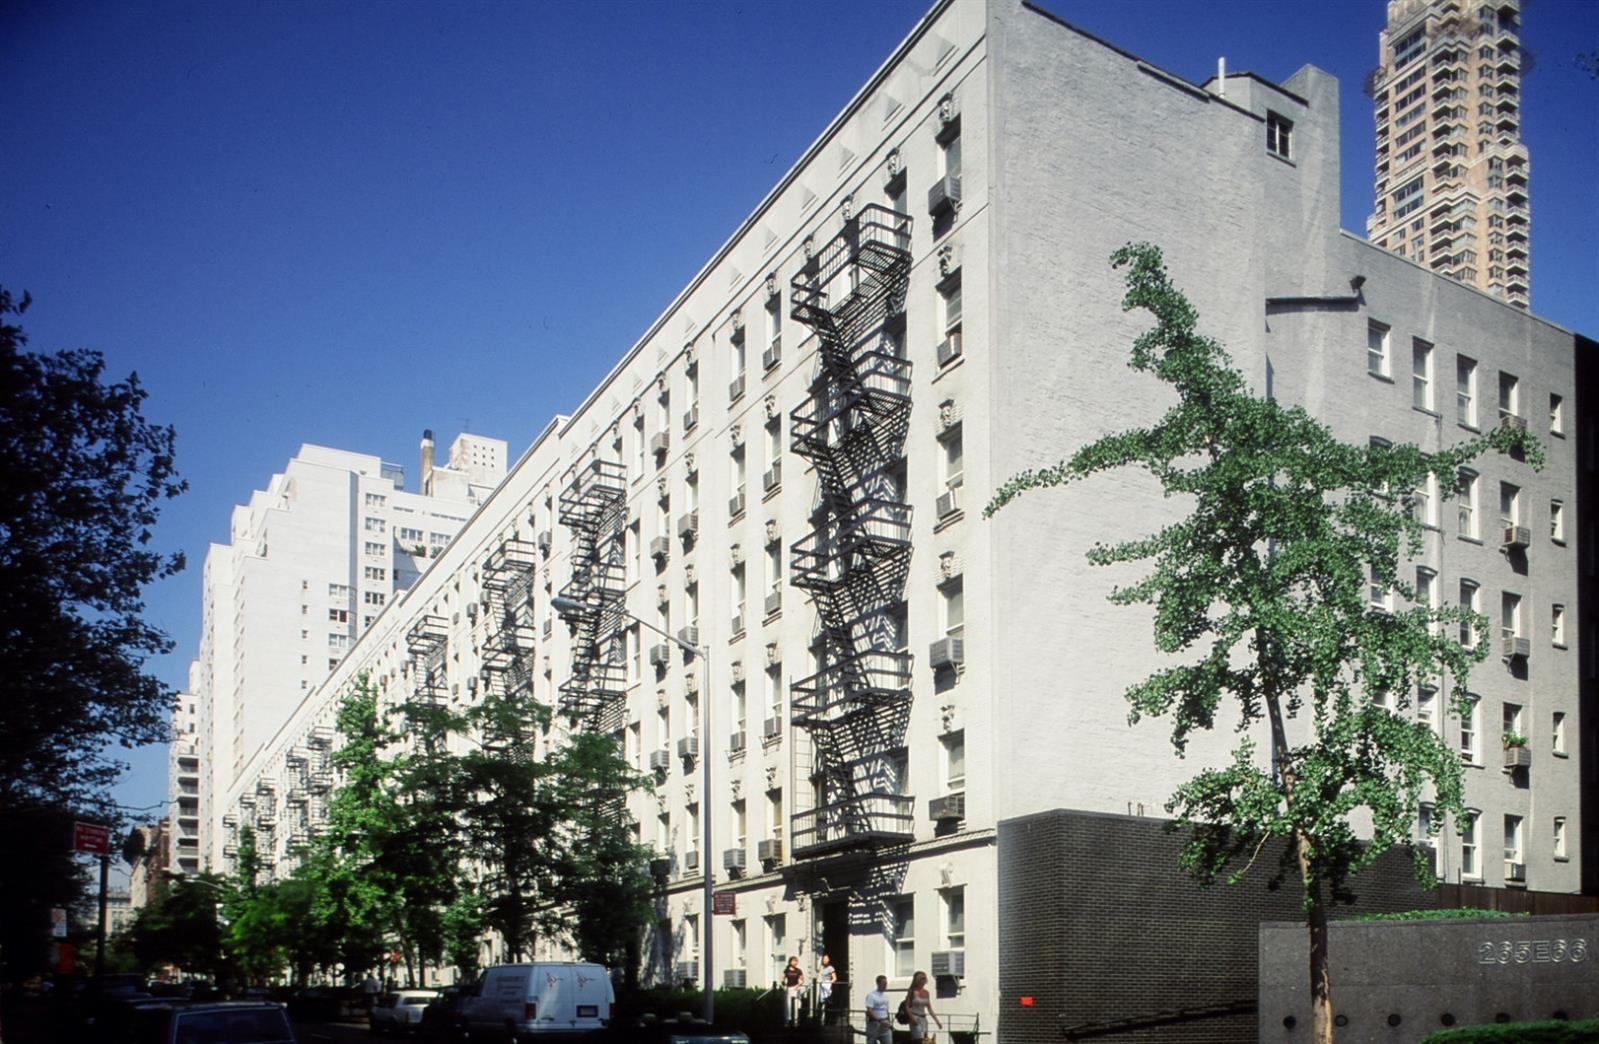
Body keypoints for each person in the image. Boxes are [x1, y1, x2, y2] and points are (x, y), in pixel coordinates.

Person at [905, 970, 942, 1043]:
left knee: (925, 1040)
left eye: (925, 978)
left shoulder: (926, 993)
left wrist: (937, 1021)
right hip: (915, 1017)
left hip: (923, 1019)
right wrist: (912, 1018)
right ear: (918, 980)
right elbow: (907, 1006)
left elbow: (929, 1009)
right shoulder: (912, 991)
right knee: (918, 1040)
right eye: (922, 978)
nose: (924, 980)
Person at [864, 974, 893, 1044]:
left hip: (885, 1024)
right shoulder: (872, 996)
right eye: (883, 984)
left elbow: (886, 1010)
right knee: (872, 1041)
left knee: (888, 1041)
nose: (885, 985)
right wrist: (879, 1020)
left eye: (886, 984)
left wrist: (888, 1021)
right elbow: (869, 1010)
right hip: (874, 1024)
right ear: (878, 984)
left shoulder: (885, 996)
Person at [781, 956, 805, 1025]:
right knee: (788, 1005)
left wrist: (798, 985)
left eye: (796, 961)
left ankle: (795, 1021)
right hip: (789, 989)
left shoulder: (798, 970)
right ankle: (787, 1021)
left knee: (796, 1005)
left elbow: (802, 980)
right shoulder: (786, 970)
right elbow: (783, 978)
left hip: (795, 989)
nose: (795, 962)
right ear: (790, 962)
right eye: (794, 961)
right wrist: (783, 982)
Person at [817, 952, 836, 1022]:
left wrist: (829, 983)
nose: (825, 960)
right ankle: (821, 1019)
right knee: (822, 1002)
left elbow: (834, 978)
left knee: (828, 1002)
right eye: (824, 959)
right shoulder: (821, 967)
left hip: (827, 986)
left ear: (829, 960)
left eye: (826, 959)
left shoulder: (831, 968)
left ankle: (829, 1019)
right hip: (822, 986)